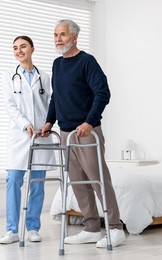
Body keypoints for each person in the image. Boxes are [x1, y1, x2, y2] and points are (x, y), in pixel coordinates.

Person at [40, 19, 126, 248]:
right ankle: (91, 228)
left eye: (63, 34)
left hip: (87, 132)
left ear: (75, 37)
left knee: (98, 180)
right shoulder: (57, 64)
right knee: (77, 182)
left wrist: (89, 121)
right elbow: (56, 97)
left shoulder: (87, 61)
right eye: (55, 34)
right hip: (66, 132)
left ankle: (115, 228)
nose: (58, 39)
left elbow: (102, 92)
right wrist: (49, 121)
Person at [0, 36, 55, 244]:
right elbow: (9, 105)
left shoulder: (45, 77)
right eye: (15, 48)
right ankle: (12, 230)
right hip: (19, 135)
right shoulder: (8, 77)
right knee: (13, 180)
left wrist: (48, 124)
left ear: (32, 49)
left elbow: (52, 103)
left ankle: (33, 227)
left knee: (37, 184)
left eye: (23, 46)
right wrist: (25, 124)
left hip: (41, 135)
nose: (19, 51)